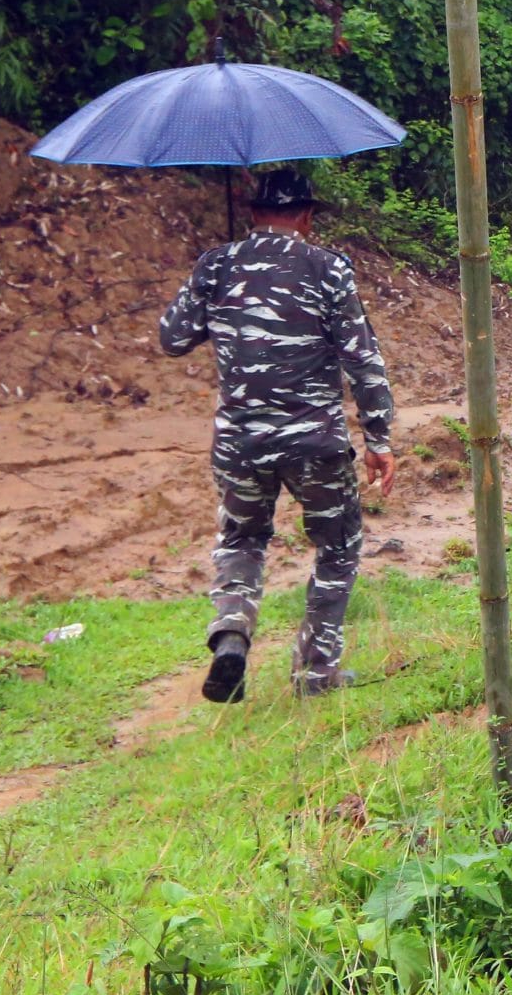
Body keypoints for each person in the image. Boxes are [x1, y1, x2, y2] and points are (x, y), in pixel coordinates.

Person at [157, 167, 396, 704]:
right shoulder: (328, 268)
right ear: (307, 217)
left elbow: (172, 338)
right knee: (337, 547)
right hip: (315, 442)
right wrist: (378, 438)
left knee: (241, 540)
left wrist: (213, 289)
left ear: (252, 212)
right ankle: (315, 674)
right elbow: (363, 358)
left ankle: (233, 634)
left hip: (240, 442)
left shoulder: (216, 265)